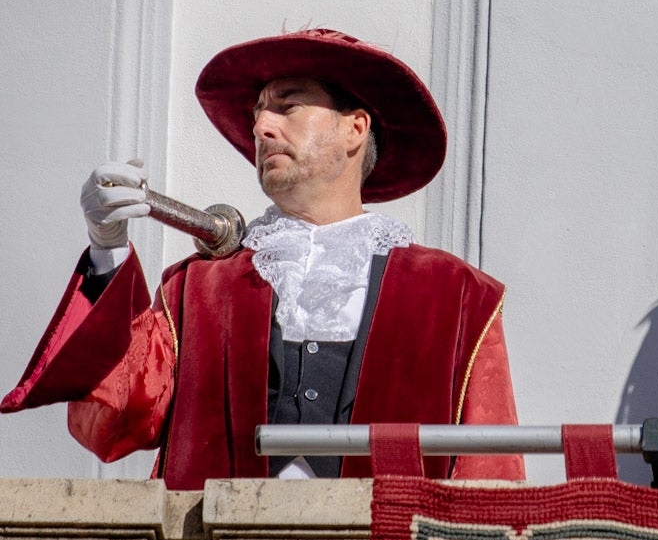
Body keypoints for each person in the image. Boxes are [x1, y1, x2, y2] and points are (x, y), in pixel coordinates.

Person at [2, 28, 524, 489]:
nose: (262, 128)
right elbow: (107, 421)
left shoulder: (457, 296)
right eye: (258, 114)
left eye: (288, 106)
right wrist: (107, 249)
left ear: (354, 128)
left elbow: (491, 482)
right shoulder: (196, 291)